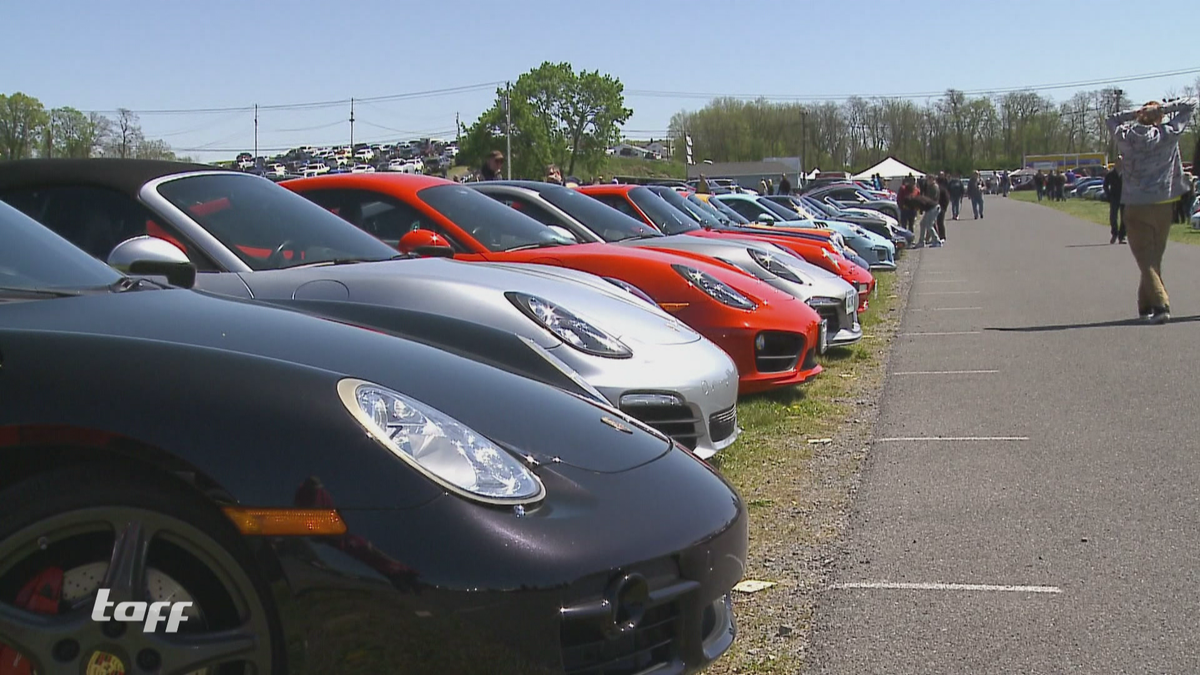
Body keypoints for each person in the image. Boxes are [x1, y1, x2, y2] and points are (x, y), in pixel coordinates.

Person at [1106, 97, 1197, 323]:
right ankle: (1144, 305)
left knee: (1146, 259)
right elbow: (1190, 105)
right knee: (1153, 257)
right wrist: (1162, 109)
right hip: (1163, 203)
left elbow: (1111, 118)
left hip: (1136, 203)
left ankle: (1160, 304)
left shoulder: (1126, 138)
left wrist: (1136, 112)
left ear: (1140, 116)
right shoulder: (1168, 135)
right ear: (1160, 118)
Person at [912, 178, 943, 248]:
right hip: (931, 208)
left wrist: (921, 210)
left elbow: (933, 198)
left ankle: (937, 241)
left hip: (933, 208)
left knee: (929, 225)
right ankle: (921, 242)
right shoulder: (928, 188)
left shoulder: (934, 187)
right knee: (922, 224)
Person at [1103, 158, 1126, 244]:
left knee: (1124, 217)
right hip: (1114, 197)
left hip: (1124, 197)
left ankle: (1122, 236)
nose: (1120, 164)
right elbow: (1105, 185)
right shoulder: (1110, 174)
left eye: (1121, 162)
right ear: (1115, 163)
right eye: (1118, 162)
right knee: (1113, 216)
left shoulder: (1126, 174)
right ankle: (1114, 233)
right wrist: (1108, 195)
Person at [936, 172, 950, 242]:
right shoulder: (936, 182)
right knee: (934, 223)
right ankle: (936, 236)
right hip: (935, 206)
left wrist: (944, 207)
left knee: (940, 222)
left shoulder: (945, 183)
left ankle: (942, 236)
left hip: (942, 206)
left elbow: (946, 198)